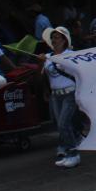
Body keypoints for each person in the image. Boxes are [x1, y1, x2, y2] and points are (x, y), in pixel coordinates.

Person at [37, 27, 81, 168]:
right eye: (53, 37)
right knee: (60, 124)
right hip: (56, 95)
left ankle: (74, 154)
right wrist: (41, 62)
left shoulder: (71, 55)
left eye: (58, 37)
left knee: (63, 123)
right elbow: (43, 76)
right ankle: (67, 150)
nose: (55, 40)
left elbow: (79, 72)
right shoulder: (48, 57)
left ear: (64, 40)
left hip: (70, 94)